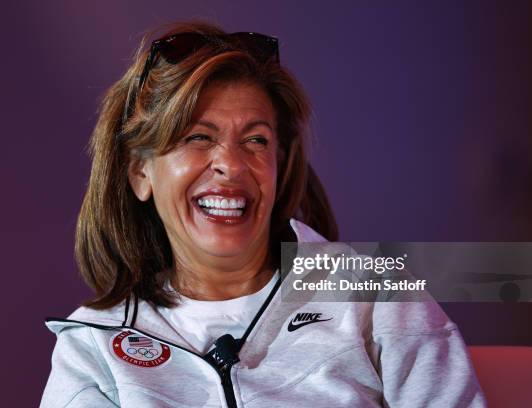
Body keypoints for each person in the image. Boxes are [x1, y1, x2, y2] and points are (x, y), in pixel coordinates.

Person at [40, 21, 486, 407]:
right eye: (198, 137)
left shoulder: (379, 298)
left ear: (280, 165)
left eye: (256, 140)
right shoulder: (93, 347)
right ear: (140, 172)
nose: (231, 166)